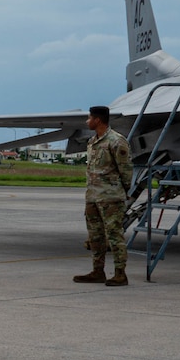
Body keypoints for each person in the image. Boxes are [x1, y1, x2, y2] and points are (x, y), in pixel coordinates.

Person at [77, 104, 134, 287]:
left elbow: (126, 170)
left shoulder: (117, 141)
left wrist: (121, 191)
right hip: (93, 196)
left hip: (110, 198)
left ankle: (120, 274)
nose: (87, 121)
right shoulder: (92, 142)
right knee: (95, 236)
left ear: (97, 120)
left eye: (89, 118)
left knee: (115, 235)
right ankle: (98, 271)